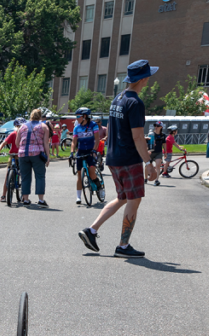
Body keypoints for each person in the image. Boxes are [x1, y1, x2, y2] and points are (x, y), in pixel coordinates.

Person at [78, 60, 160, 259]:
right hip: (128, 158)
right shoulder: (136, 102)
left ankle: (92, 230)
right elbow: (138, 137)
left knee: (123, 197)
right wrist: (149, 163)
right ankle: (123, 245)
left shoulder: (118, 98)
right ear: (144, 79)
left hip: (113, 156)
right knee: (134, 199)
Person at [17, 109, 51, 206]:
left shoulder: (22, 126)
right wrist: (48, 156)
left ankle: (26, 199)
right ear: (40, 116)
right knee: (40, 176)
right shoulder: (44, 127)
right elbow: (46, 143)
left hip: (23, 154)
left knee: (25, 177)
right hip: (37, 154)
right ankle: (40, 200)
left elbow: (17, 142)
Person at [71, 108, 102, 204]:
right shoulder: (77, 128)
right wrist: (72, 152)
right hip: (81, 151)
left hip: (91, 150)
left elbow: (97, 139)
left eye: (78, 116)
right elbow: (74, 141)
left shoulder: (93, 125)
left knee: (92, 172)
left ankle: (99, 187)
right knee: (79, 175)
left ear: (84, 116)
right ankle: (78, 197)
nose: (76, 118)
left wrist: (94, 150)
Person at [0, 117, 22, 202]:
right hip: (13, 155)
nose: (19, 128)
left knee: (24, 173)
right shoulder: (13, 134)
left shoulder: (25, 135)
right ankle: (3, 195)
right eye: (18, 126)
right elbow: (3, 143)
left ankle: (24, 196)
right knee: (8, 175)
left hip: (21, 156)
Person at [148, 121, 165, 186]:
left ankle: (157, 180)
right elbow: (147, 143)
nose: (156, 127)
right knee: (147, 166)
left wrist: (165, 152)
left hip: (159, 152)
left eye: (158, 126)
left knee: (158, 165)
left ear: (161, 127)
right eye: (155, 125)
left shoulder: (163, 135)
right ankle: (146, 178)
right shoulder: (151, 134)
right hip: (151, 152)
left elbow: (164, 144)